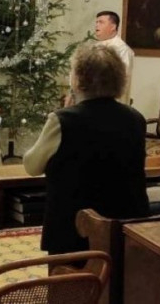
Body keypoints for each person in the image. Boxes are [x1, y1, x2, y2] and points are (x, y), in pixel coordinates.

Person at [24, 42, 149, 254]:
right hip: (123, 230)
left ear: (77, 79)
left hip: (73, 232)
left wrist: (64, 113)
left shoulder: (62, 120)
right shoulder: (136, 118)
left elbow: (31, 166)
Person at [94, 10, 135, 105]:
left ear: (113, 26)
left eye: (101, 22)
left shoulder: (122, 50)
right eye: (96, 22)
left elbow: (122, 78)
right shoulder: (95, 47)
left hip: (112, 102)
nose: (97, 25)